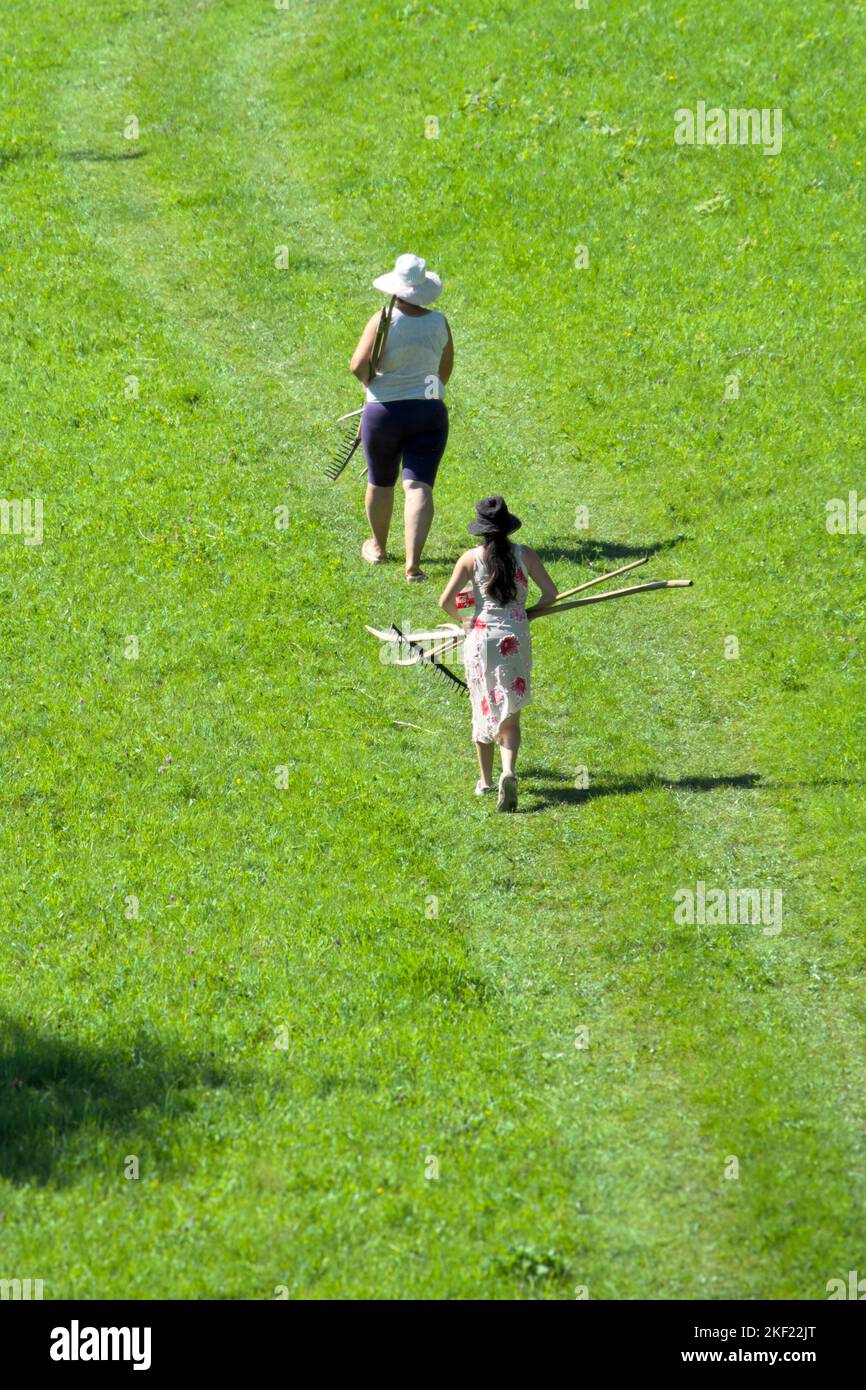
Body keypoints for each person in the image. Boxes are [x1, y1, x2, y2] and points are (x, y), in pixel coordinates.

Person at [439, 497, 558, 811]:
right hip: (515, 635)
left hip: (482, 638)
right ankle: (509, 771)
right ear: (507, 527)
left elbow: (445, 602)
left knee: (483, 706)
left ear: (482, 531)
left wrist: (464, 620)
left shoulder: (470, 559)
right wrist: (528, 611)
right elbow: (552, 594)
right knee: (510, 708)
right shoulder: (525, 555)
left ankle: (487, 781)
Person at [350, 254, 453, 581]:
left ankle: (379, 549)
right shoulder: (439, 322)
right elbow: (444, 369)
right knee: (418, 484)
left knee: (381, 481)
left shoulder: (383, 319)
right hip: (428, 410)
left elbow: (358, 365)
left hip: (384, 412)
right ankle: (413, 566)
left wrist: (373, 384)